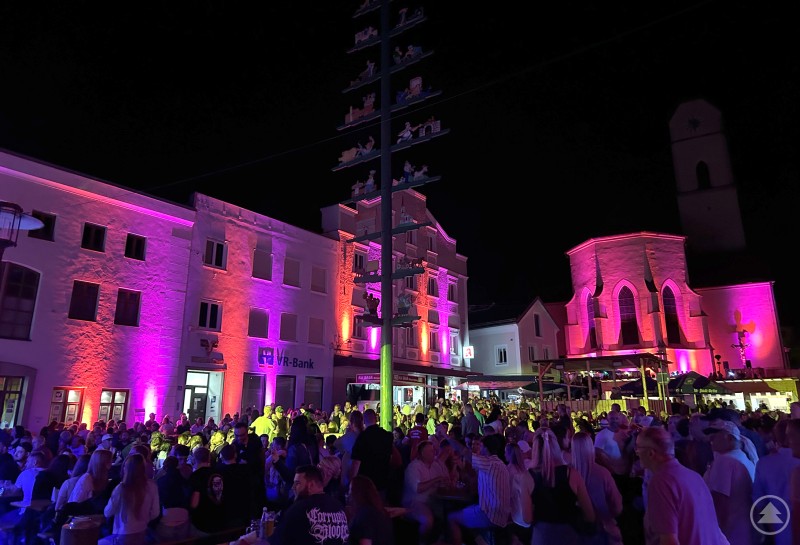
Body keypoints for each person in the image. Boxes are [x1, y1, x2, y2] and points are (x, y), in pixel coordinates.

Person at [636, 426, 729, 544]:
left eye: (638, 447)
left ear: (651, 453)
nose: (636, 452)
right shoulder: (694, 476)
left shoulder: (661, 482)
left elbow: (669, 540)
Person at [529, 428, 595, 545]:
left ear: (535, 448)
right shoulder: (572, 474)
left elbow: (527, 518)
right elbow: (590, 515)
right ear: (556, 446)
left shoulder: (528, 477)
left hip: (542, 536)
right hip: (568, 534)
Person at [447, 433, 511, 545]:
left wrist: (446, 436)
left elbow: (464, 451)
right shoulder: (500, 463)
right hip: (501, 513)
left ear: (486, 448)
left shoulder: (488, 463)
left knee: (452, 518)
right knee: (468, 514)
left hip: (490, 514)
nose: (478, 449)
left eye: (480, 446)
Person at [703, 419, 757, 545]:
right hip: (744, 531)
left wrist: (718, 535)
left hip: (730, 534)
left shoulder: (724, 462)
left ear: (729, 438)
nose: (710, 439)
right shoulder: (744, 458)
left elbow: (721, 503)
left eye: (715, 435)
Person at [269, 464, 349, 545]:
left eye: (297, 483)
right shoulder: (339, 507)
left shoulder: (298, 509)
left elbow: (277, 541)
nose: (293, 487)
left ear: (311, 485)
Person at [569, 431, 623, 545]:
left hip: (575, 530)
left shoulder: (567, 474)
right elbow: (617, 505)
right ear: (590, 447)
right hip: (603, 527)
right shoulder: (602, 473)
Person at [752, 418, 800, 545]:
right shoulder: (795, 465)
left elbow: (760, 501)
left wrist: (771, 527)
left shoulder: (764, 464)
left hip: (781, 530)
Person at [101, 453, 160, 545]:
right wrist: (144, 519)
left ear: (126, 468)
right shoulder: (152, 486)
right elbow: (155, 513)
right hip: (142, 533)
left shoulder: (121, 488)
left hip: (122, 535)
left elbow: (108, 512)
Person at [350, 409, 396, 501]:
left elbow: (356, 462)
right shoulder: (387, 436)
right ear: (376, 419)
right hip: (383, 480)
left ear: (364, 421)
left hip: (366, 482)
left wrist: (352, 481)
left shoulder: (362, 437)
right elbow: (391, 459)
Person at [347, 474, 394, 545]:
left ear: (357, 493)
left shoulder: (364, 516)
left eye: (350, 490)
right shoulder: (382, 513)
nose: (348, 494)